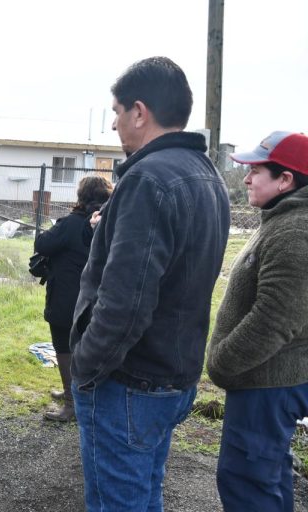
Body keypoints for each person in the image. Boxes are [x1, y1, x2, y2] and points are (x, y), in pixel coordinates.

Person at [68, 56, 230, 510]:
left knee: (118, 503)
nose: (116, 125)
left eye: (117, 113)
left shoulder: (146, 179)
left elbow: (126, 301)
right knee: (144, 495)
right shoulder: (206, 174)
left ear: (140, 112)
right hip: (174, 375)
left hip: (129, 381)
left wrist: (86, 368)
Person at [206, 131, 308, 511]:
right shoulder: (284, 220)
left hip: (267, 382)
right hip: (267, 380)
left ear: (286, 179)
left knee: (247, 483)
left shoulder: (296, 231)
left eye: (256, 171)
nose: (246, 178)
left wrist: (223, 365)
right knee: (266, 475)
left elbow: (276, 320)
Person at [34, 176, 112, 422]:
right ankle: (82, 395)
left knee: (64, 347)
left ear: (80, 197)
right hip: (98, 299)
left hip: (66, 298)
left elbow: (42, 244)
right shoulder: (110, 223)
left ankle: (71, 403)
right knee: (87, 349)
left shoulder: (70, 224)